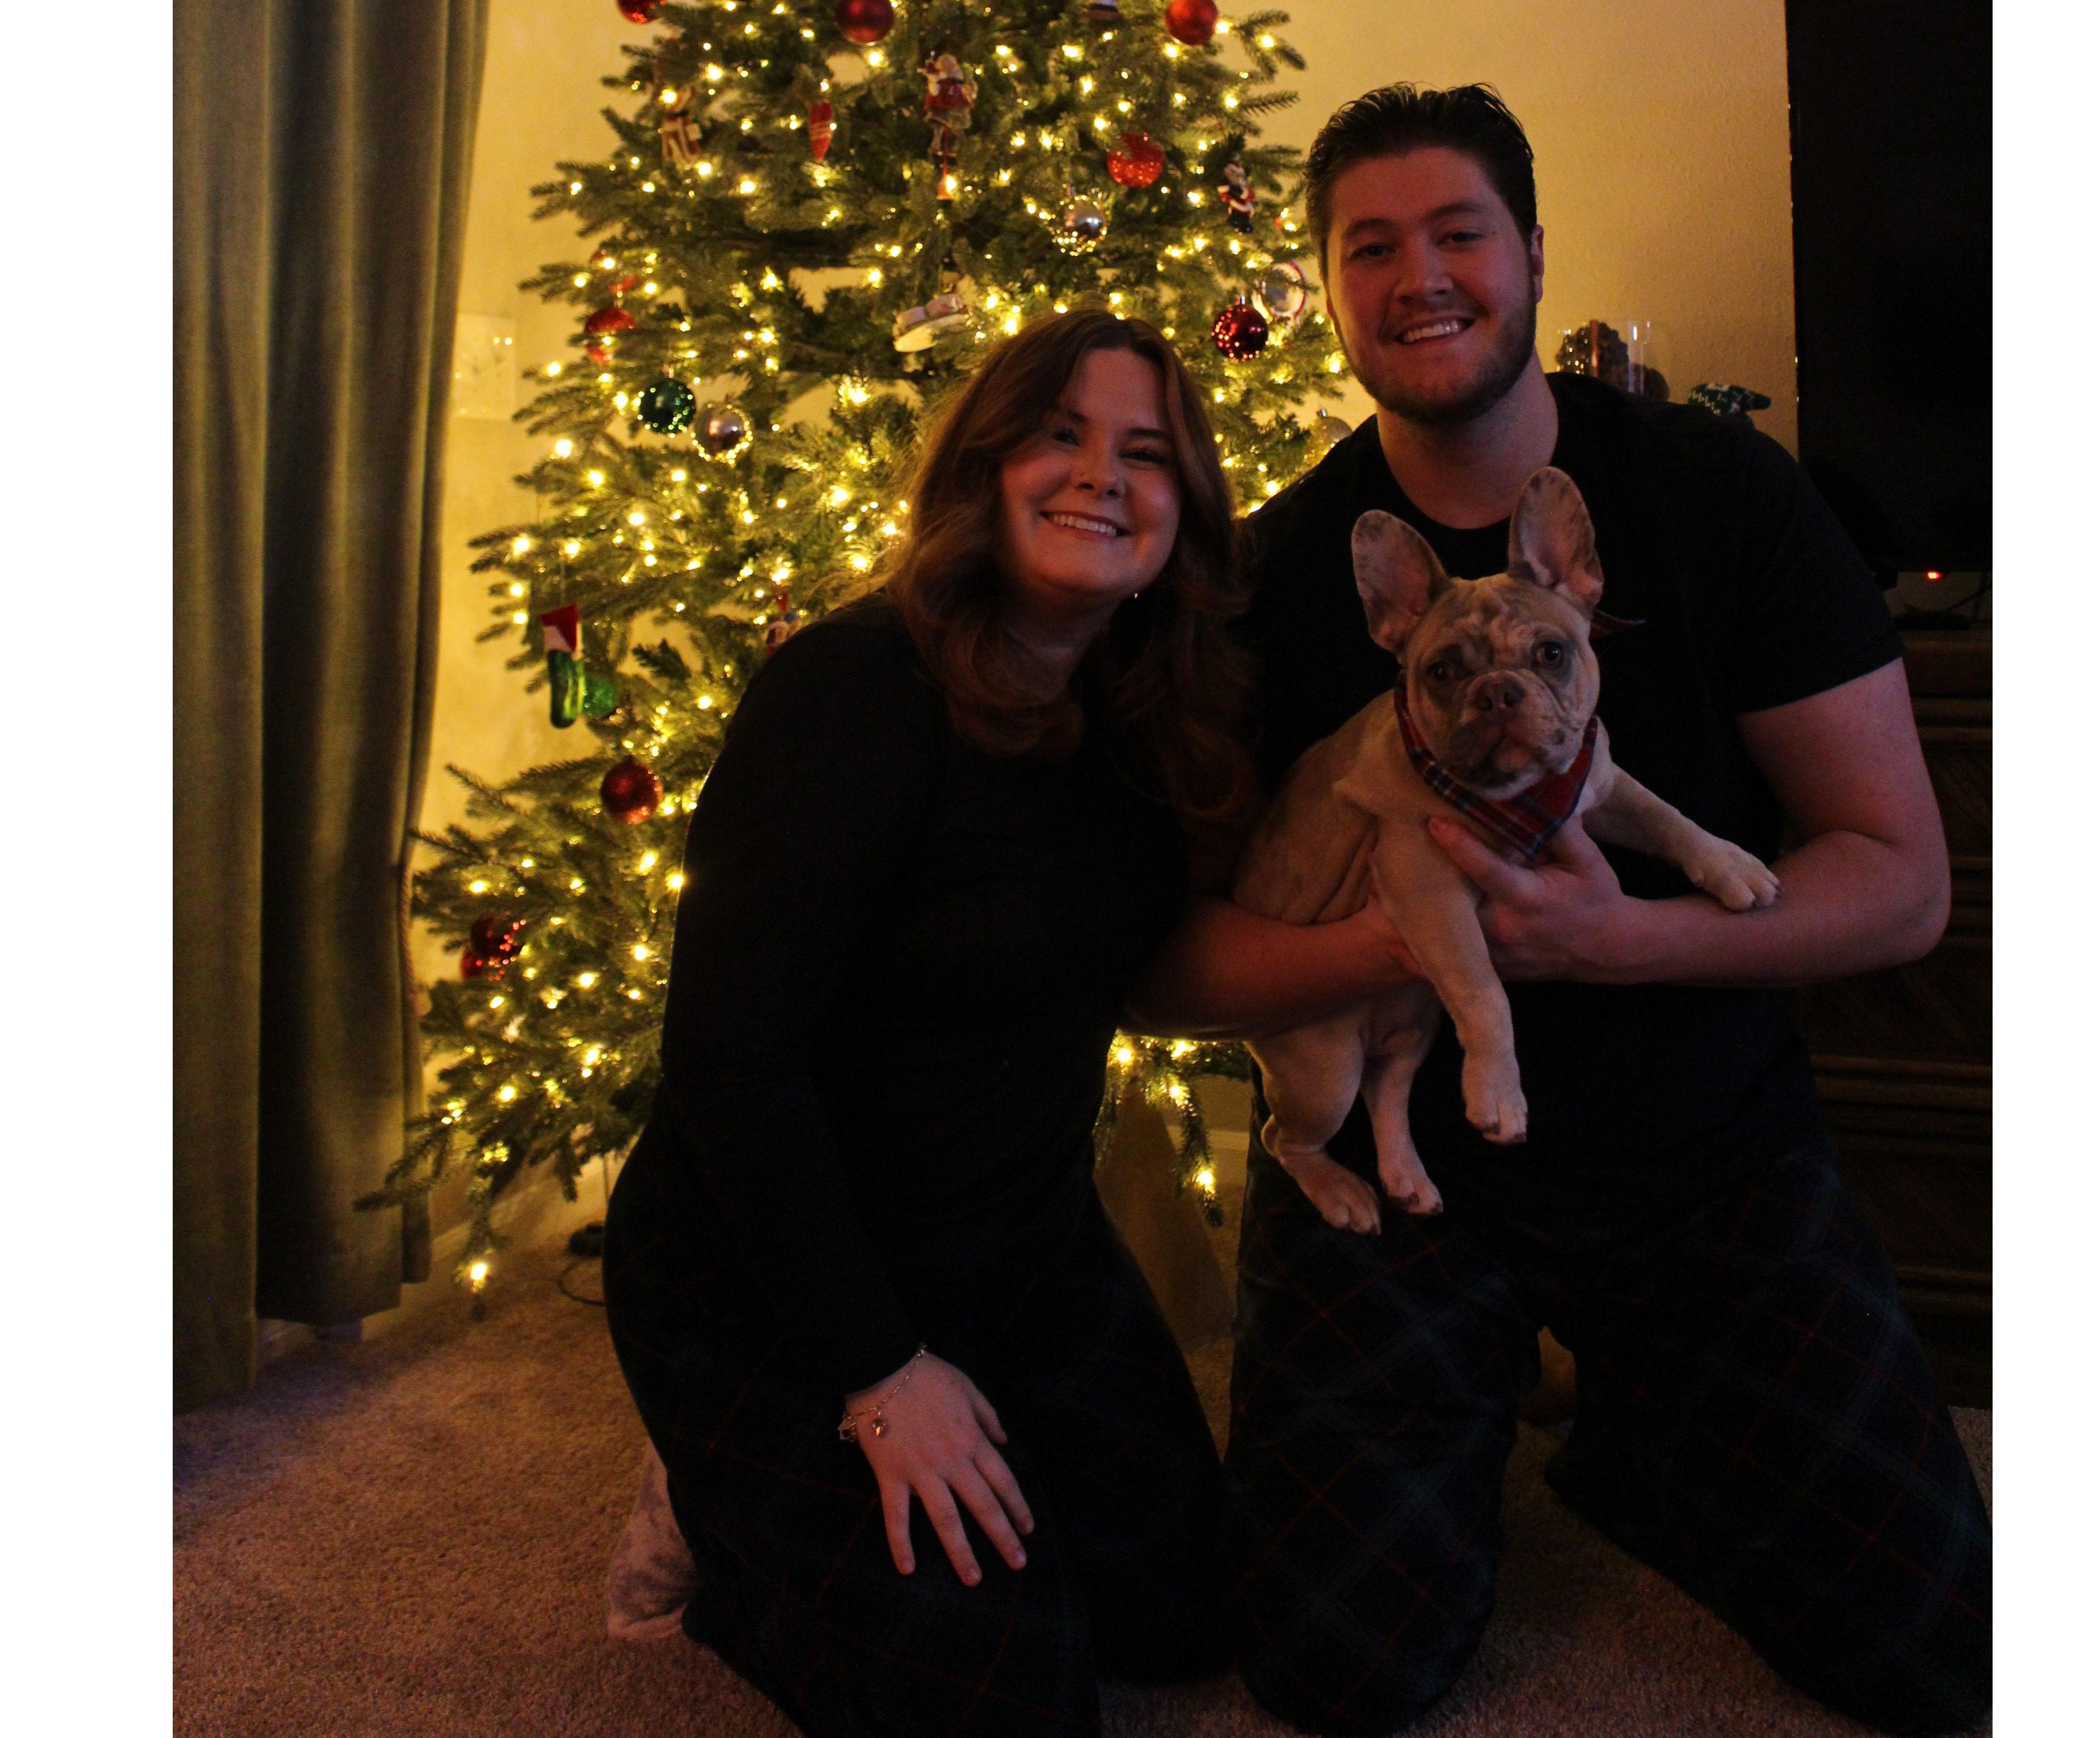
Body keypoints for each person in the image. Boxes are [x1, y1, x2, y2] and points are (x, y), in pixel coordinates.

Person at [1129, 84, 1994, 1738]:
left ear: (1531, 249)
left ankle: (1636, 1446)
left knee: (1943, 1657)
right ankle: (1510, 1414)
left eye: (1459, 233)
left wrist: (1626, 940)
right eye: (1370, 247)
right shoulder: (1271, 572)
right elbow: (1159, 959)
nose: (1420, 277)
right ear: (1328, 288)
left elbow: (1900, 883)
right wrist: (1390, 949)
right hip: (1407, 1167)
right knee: (1335, 1667)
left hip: (1705, 1148)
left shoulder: (1722, 495)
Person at [602, 310, 1274, 1738]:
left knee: (1185, 1615)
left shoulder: (1152, 714)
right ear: (984, 465)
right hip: (777, 1271)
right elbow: (729, 1063)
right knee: (1009, 1704)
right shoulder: (847, 690)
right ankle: (718, 1538)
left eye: (1148, 453)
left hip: (1020, 1243)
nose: (1101, 476)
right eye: (1059, 435)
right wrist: (880, 1375)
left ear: (1188, 507)